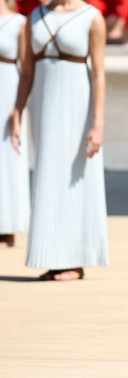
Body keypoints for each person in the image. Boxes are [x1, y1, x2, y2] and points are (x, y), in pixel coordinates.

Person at [10, 0, 109, 280]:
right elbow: (27, 72)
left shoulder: (93, 18)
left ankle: (75, 262)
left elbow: (99, 74)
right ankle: (54, 259)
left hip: (78, 105)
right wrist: (17, 110)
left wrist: (98, 123)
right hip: (44, 105)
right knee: (48, 177)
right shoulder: (34, 17)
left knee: (75, 178)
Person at [1, 0, 29, 249]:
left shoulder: (19, 23)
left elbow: (26, 69)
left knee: (7, 155)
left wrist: (19, 108)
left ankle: (6, 227)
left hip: (7, 89)